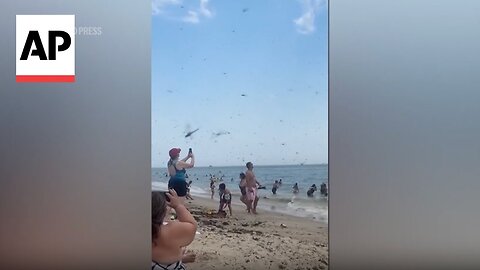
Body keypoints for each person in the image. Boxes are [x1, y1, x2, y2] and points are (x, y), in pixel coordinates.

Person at [152, 189, 197, 270]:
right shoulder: (170, 231)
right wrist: (178, 206)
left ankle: (181, 259)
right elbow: (192, 225)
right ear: (164, 210)